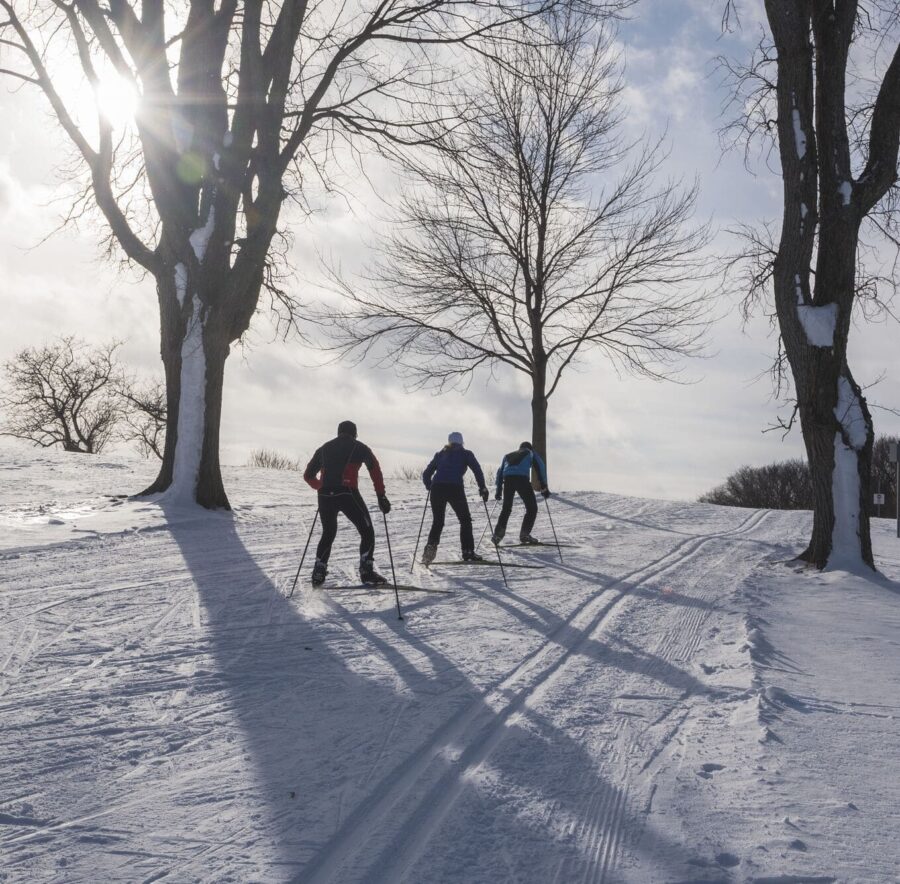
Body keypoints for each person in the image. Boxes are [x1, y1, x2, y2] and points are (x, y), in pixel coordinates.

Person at [303, 420, 391, 586]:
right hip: (347, 492)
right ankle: (367, 572)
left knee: (328, 533)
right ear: (354, 433)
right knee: (367, 531)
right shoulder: (359, 447)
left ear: (338, 432)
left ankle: (319, 572)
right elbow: (375, 469)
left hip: (325, 495)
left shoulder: (323, 448)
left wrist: (320, 486)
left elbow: (308, 475)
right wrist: (381, 496)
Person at [421, 431, 490, 564]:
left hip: (437, 488)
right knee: (465, 520)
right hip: (454, 488)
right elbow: (477, 469)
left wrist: (430, 485)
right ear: (462, 442)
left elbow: (426, 473)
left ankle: (429, 551)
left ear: (449, 442)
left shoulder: (440, 454)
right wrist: (482, 487)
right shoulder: (466, 454)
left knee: (438, 521)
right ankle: (468, 552)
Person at [492, 441, 551, 545]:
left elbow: (500, 472)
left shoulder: (507, 455)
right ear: (530, 448)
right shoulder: (530, 452)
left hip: (508, 480)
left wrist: (498, 491)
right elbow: (540, 466)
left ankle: (497, 535)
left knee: (506, 508)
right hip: (521, 479)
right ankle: (524, 534)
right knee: (532, 508)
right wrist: (544, 486)